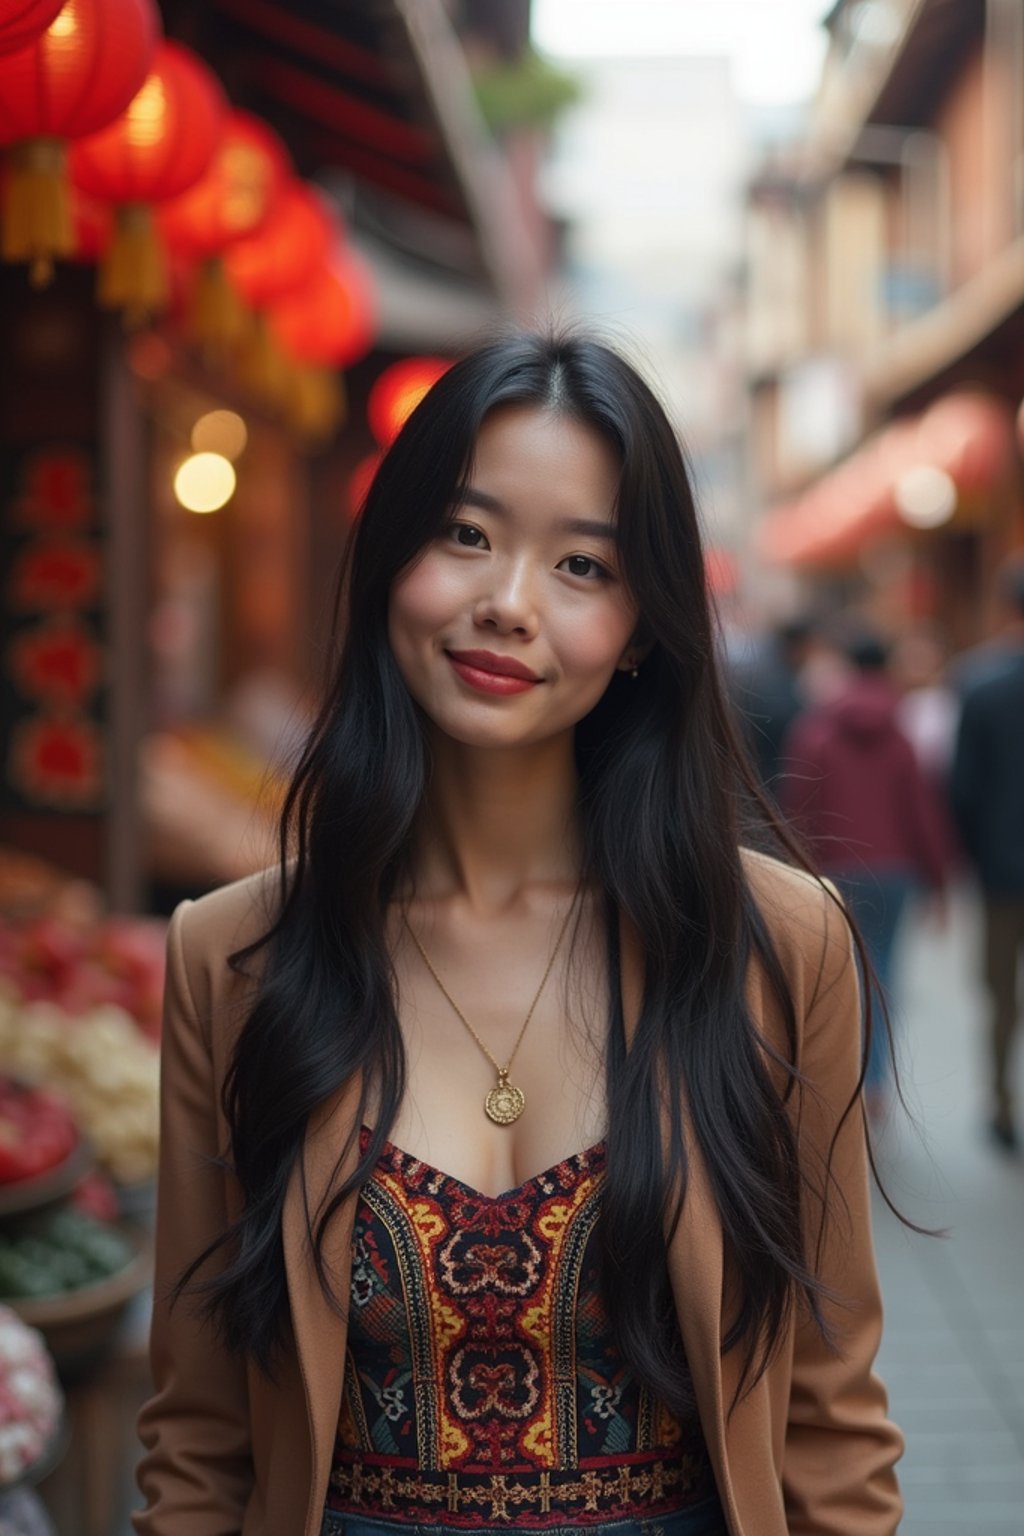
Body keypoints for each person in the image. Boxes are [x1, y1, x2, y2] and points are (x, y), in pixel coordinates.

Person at [133, 334, 903, 1536]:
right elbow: (197, 1437)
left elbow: (831, 1414)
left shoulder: (776, 945)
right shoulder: (234, 958)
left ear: (643, 625)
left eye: (583, 564)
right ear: (392, 559)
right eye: (466, 534)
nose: (509, 601)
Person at [778, 626, 950, 1119]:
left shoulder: (816, 730)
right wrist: (937, 883)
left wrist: (795, 874)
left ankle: (841, 1083)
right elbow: (922, 811)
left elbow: (800, 809)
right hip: (896, 872)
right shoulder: (901, 735)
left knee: (835, 978)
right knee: (885, 974)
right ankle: (875, 1085)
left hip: (835, 871)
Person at [950, 627, 1024, 1151]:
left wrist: (972, 857)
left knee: (1000, 994)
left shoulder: (981, 686)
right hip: (999, 863)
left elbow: (961, 788)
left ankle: (1001, 1103)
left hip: (1001, 870)